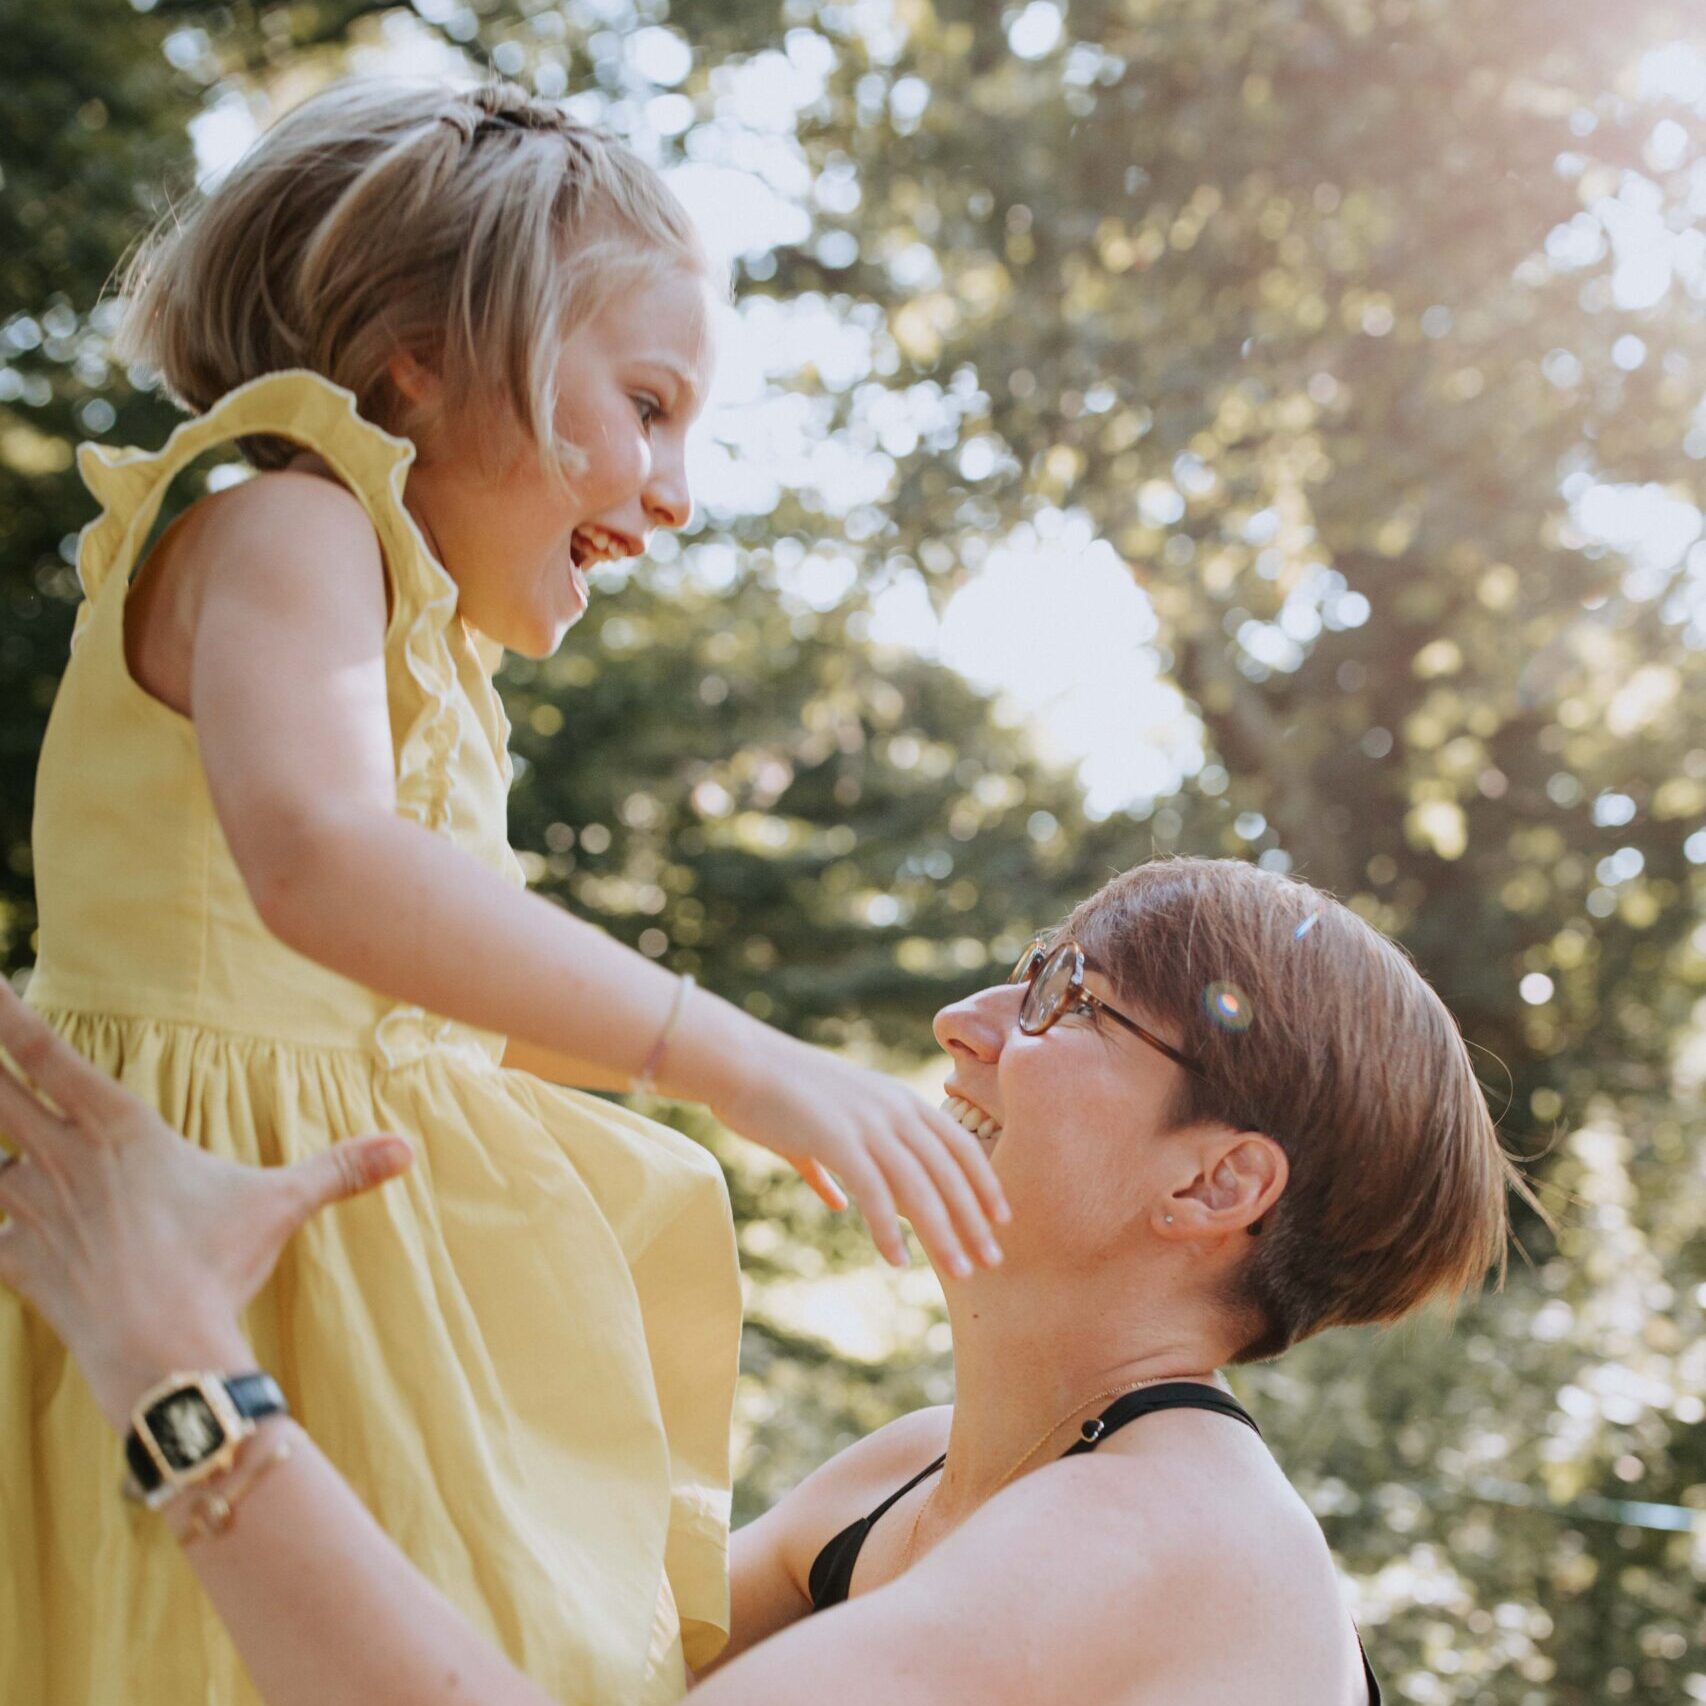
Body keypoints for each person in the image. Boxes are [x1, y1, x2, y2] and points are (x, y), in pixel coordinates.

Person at [4, 78, 1007, 1706]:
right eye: (649, 398)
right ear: (430, 350)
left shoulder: (422, 644)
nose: (675, 488)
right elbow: (319, 863)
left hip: (335, 1271)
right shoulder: (285, 515)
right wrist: (751, 1065)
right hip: (195, 1214)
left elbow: (419, 988)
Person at [0, 858, 1521, 1704]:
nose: (965, 1019)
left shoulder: (1176, 1530)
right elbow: (554, 1656)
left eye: (1069, 997)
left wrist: (176, 1369)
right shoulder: (908, 1468)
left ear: (1212, 1183)